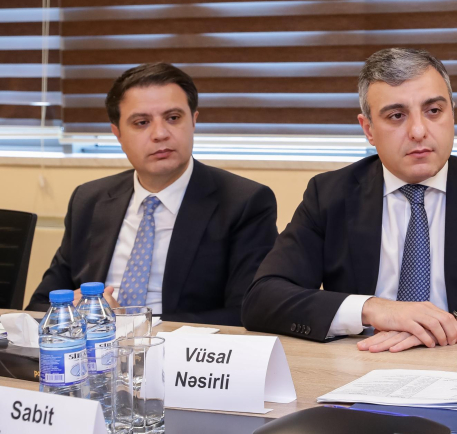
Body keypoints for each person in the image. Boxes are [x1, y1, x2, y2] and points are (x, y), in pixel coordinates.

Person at [242, 48, 457, 351]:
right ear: (368, 129)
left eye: (433, 111)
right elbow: (262, 299)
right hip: (362, 366)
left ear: (452, 115)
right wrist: (373, 309)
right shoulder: (330, 195)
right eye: (396, 116)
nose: (418, 131)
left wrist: (456, 329)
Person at [28, 63, 278, 326]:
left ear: (193, 121)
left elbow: (246, 313)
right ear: (118, 134)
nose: (160, 134)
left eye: (173, 118)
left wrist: (130, 323)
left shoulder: (244, 202)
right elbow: (39, 305)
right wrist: (75, 309)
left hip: (183, 348)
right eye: (142, 123)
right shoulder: (90, 199)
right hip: (93, 345)